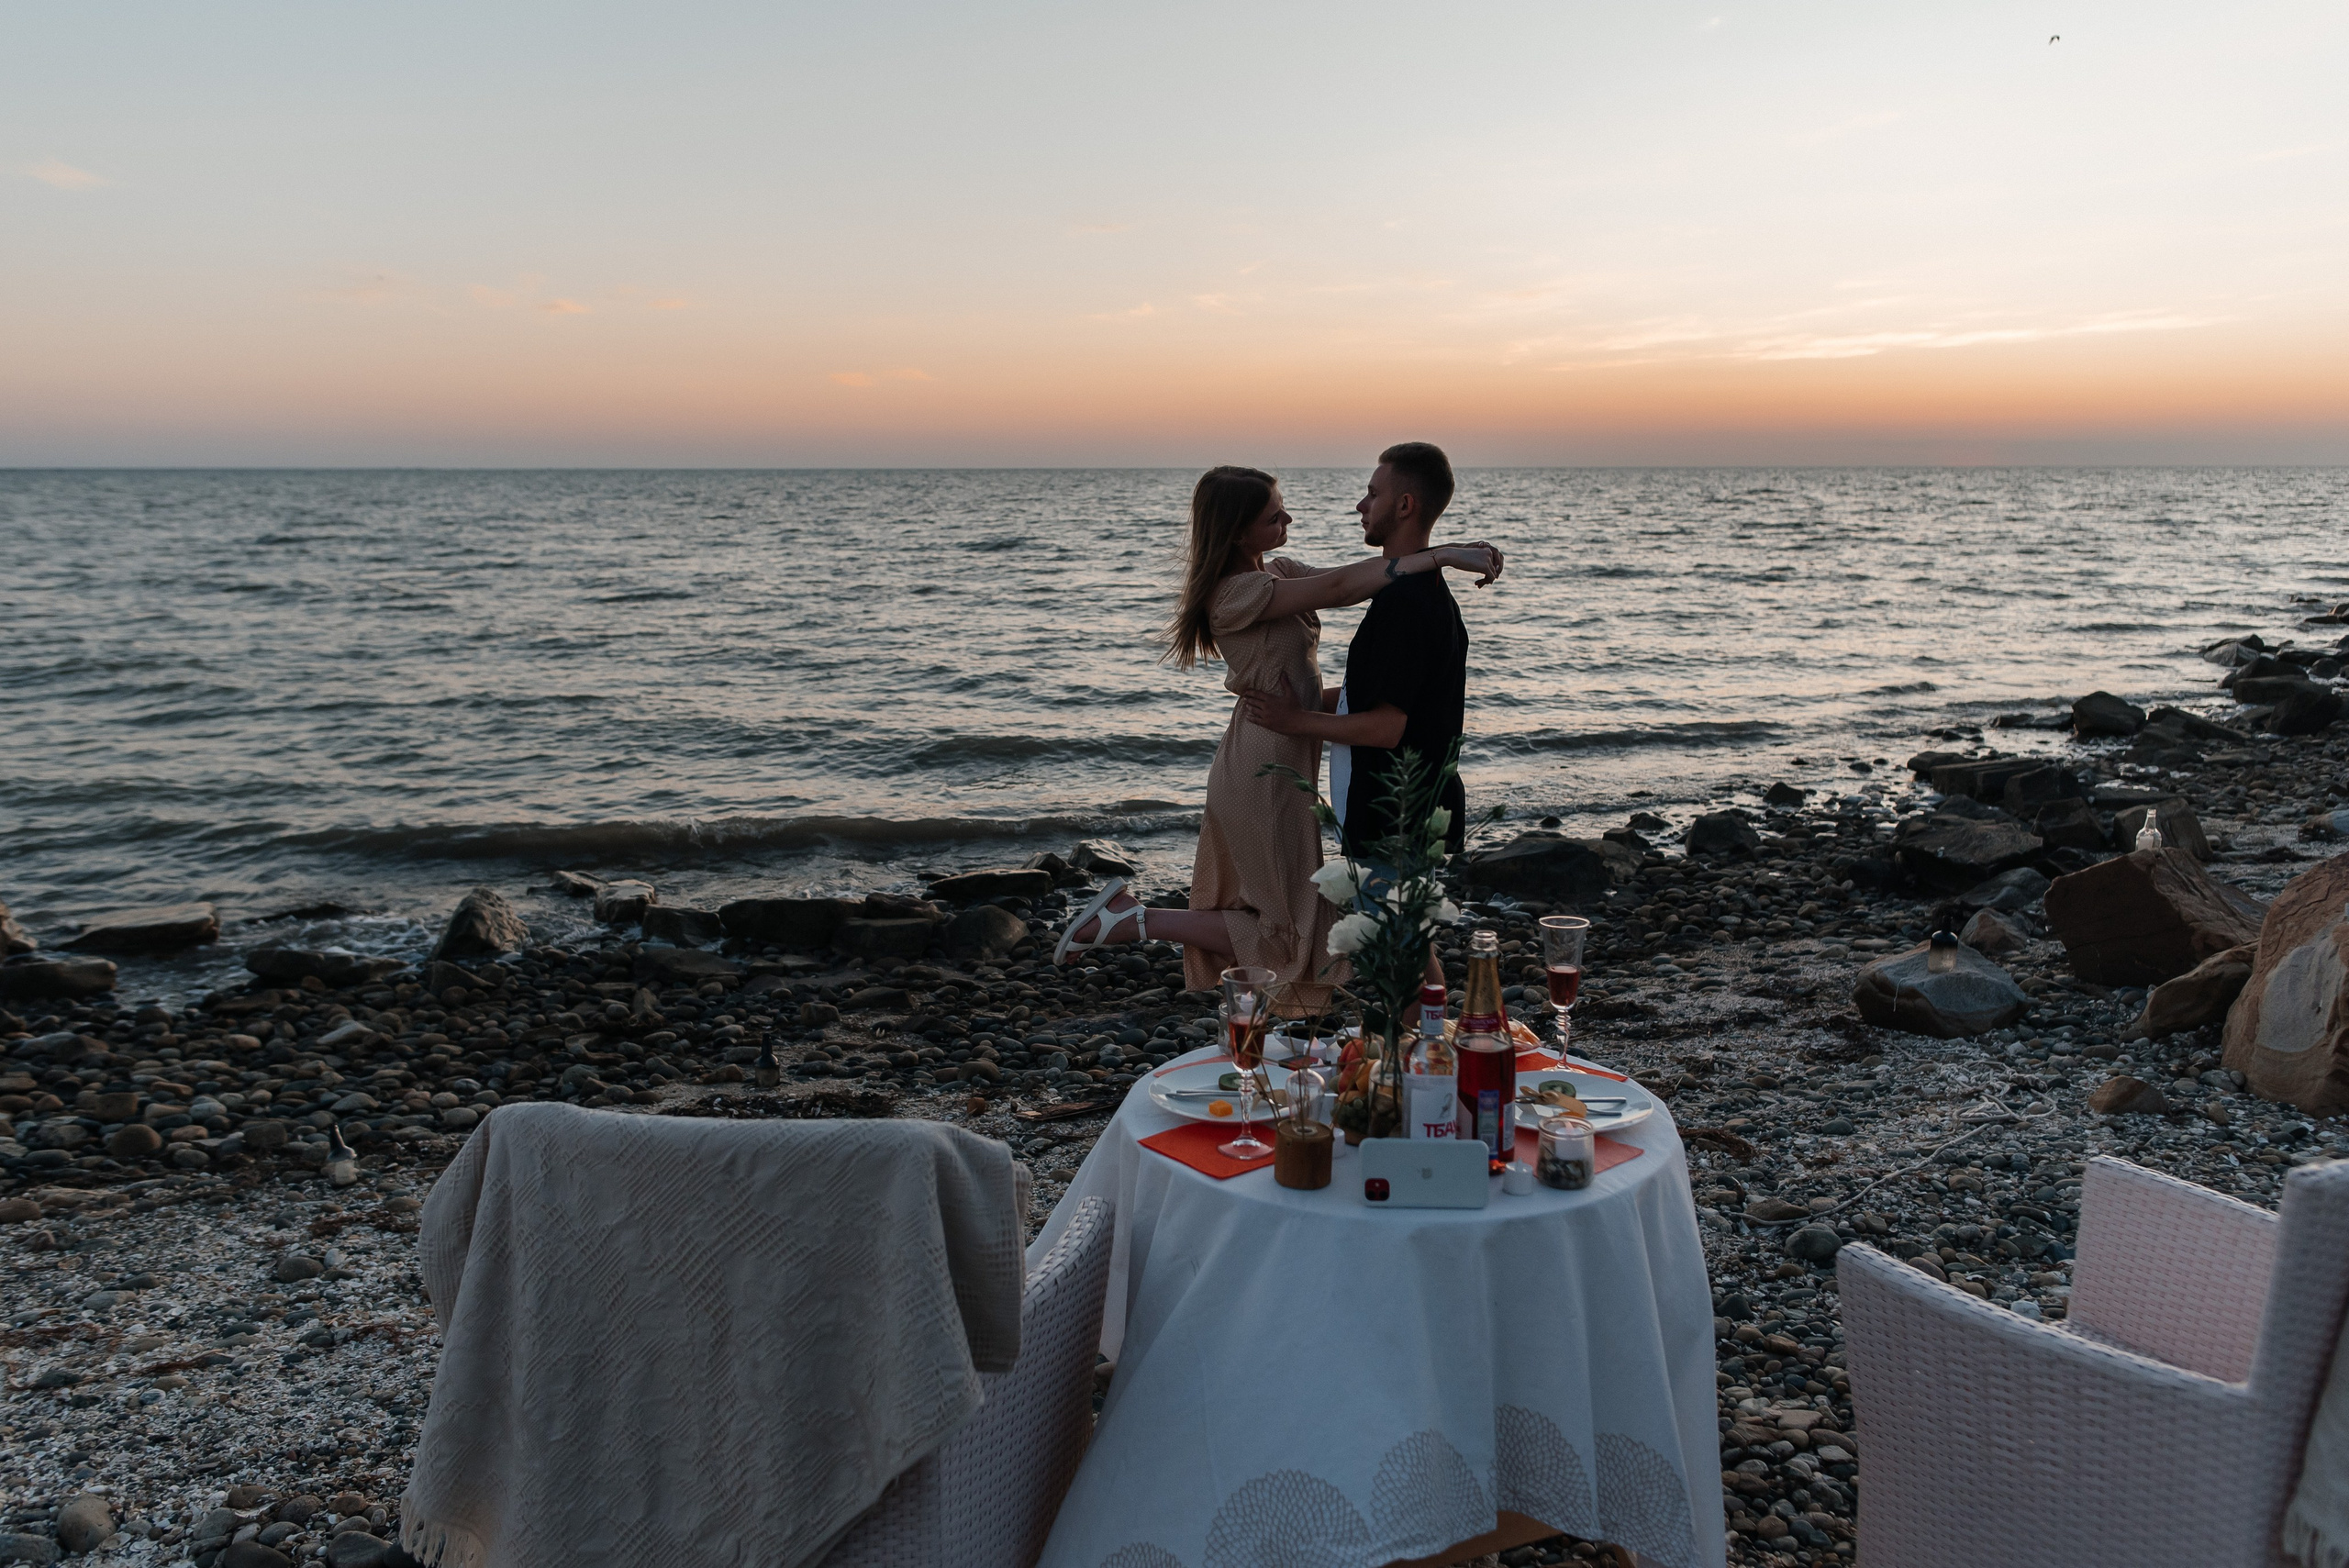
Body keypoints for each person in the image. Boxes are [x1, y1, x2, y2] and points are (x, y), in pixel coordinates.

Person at [1052, 463, 1500, 994]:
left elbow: (1362, 579)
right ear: (1238, 531)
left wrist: (1384, 702)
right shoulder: (1234, 593)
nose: (1289, 517)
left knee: (1288, 911)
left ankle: (1306, 1028)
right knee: (1285, 926)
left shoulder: (1281, 571)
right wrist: (1444, 554)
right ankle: (1133, 921)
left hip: (1289, 751)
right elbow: (1338, 588)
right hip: (1263, 764)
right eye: (1274, 515)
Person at [1240, 443, 1476, 999]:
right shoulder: (1409, 594)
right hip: (1405, 806)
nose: (1360, 505)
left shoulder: (1408, 606)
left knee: (1400, 953)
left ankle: (1438, 1062)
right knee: (1408, 944)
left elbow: (1385, 727)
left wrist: (1294, 719)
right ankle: (1445, 1053)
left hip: (1398, 809)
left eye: (1373, 493)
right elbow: (1374, 702)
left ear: (1405, 505)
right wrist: (1312, 702)